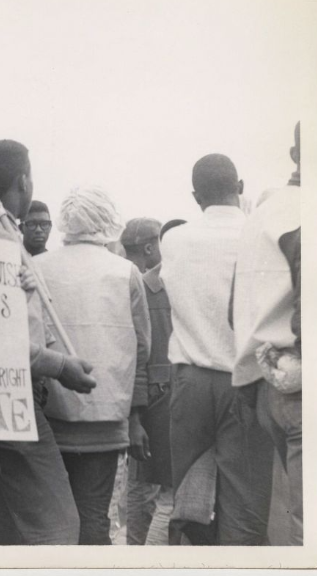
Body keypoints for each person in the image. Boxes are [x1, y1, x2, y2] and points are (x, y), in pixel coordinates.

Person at [0, 139, 96, 546]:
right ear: (24, 180)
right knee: (57, 524)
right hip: (9, 396)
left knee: (1, 524)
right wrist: (61, 367)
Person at [160, 154, 273, 545]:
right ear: (239, 187)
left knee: (191, 500)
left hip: (189, 380)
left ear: (195, 197)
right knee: (244, 503)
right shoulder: (257, 233)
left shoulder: (173, 239)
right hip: (244, 379)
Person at [38, 188, 151, 545]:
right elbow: (143, 347)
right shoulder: (126, 272)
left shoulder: (38, 267)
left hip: (49, 415)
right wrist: (134, 416)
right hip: (106, 418)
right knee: (93, 514)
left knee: (52, 517)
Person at [231, 123, 302, 545]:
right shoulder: (309, 209)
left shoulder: (262, 214)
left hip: (268, 384)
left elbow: (233, 308)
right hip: (302, 383)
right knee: (312, 528)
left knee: (289, 519)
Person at [121, 218, 176, 546]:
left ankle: (135, 553)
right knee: (154, 491)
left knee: (143, 487)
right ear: (150, 246)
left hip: (147, 398)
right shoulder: (151, 286)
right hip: (157, 398)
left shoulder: (135, 284)